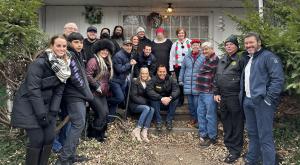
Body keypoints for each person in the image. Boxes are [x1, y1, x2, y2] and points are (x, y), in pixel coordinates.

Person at [11, 35, 71, 165]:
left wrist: (53, 111)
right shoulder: (39, 63)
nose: (61, 48)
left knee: (49, 138)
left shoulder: (65, 67)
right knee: (37, 139)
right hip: (28, 104)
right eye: (58, 45)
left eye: (64, 46)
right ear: (52, 46)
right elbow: (33, 90)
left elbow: (59, 91)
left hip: (47, 106)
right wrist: (41, 115)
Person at [240, 32, 284, 165]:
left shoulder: (268, 57)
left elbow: (278, 80)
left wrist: (268, 100)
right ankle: (252, 160)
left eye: (251, 42)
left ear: (259, 42)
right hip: (248, 101)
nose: (248, 45)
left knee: (265, 137)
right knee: (252, 134)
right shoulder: (249, 58)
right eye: (246, 43)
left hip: (262, 103)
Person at [55, 32, 94, 165]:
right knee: (78, 124)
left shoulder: (78, 54)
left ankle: (70, 156)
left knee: (77, 125)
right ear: (70, 43)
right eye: (76, 42)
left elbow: (83, 76)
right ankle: (64, 159)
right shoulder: (70, 55)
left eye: (81, 42)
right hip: (73, 95)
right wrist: (88, 94)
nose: (79, 44)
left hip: (78, 95)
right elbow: (76, 78)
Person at [213, 35, 244, 163]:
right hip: (223, 96)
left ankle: (236, 150)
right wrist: (216, 92)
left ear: (236, 46)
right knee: (226, 120)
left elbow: (244, 78)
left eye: (231, 44)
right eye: (226, 44)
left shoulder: (241, 59)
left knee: (236, 122)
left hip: (234, 96)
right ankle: (229, 144)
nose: (228, 46)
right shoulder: (222, 59)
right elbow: (217, 77)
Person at [86, 39, 114, 142]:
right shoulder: (94, 61)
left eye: (107, 50)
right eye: (103, 50)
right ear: (98, 50)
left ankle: (100, 133)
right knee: (101, 113)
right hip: (94, 93)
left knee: (105, 113)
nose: (105, 52)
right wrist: (97, 86)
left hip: (103, 93)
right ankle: (94, 134)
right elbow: (88, 75)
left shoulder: (107, 62)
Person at [108, 40, 137, 121]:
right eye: (127, 45)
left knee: (117, 99)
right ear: (123, 46)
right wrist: (130, 64)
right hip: (115, 80)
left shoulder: (129, 54)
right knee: (120, 98)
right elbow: (119, 69)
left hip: (122, 80)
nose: (129, 47)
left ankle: (110, 118)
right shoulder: (118, 55)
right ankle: (106, 101)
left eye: (130, 45)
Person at [197, 41, 219, 147]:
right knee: (200, 113)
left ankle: (212, 137)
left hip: (209, 92)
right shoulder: (206, 59)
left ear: (212, 49)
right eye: (203, 49)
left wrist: (215, 92)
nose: (204, 51)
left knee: (210, 115)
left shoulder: (215, 60)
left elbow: (216, 78)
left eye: (206, 49)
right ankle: (203, 134)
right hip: (201, 91)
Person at [178, 39, 204, 127]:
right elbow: (183, 69)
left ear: (199, 46)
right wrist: (180, 79)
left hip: (197, 84)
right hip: (188, 84)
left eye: (197, 45)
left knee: (197, 104)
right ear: (191, 46)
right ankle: (193, 119)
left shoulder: (203, 57)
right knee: (191, 104)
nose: (195, 46)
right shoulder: (187, 57)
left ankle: (199, 120)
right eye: (194, 45)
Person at [147, 65, 180, 131]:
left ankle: (169, 120)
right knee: (153, 98)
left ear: (166, 72)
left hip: (168, 102)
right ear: (157, 72)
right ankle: (159, 121)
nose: (162, 73)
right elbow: (149, 91)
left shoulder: (170, 79)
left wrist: (170, 98)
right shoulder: (153, 79)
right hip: (158, 103)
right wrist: (161, 98)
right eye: (160, 71)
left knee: (176, 99)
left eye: (164, 71)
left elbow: (177, 90)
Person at [130, 67, 154, 143]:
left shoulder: (149, 82)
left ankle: (144, 131)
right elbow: (134, 97)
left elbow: (150, 94)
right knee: (147, 108)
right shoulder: (135, 82)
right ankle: (137, 130)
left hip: (143, 104)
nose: (144, 75)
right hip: (134, 105)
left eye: (146, 73)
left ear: (148, 74)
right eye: (143, 73)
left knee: (152, 109)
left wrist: (149, 83)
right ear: (140, 74)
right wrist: (146, 102)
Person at [169, 27, 191, 106]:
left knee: (188, 82)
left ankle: (189, 100)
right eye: (179, 33)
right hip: (178, 66)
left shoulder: (190, 42)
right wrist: (171, 68)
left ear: (185, 34)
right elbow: (171, 57)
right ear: (177, 35)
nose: (181, 34)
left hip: (188, 66)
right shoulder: (175, 44)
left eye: (182, 33)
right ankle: (181, 100)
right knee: (180, 83)